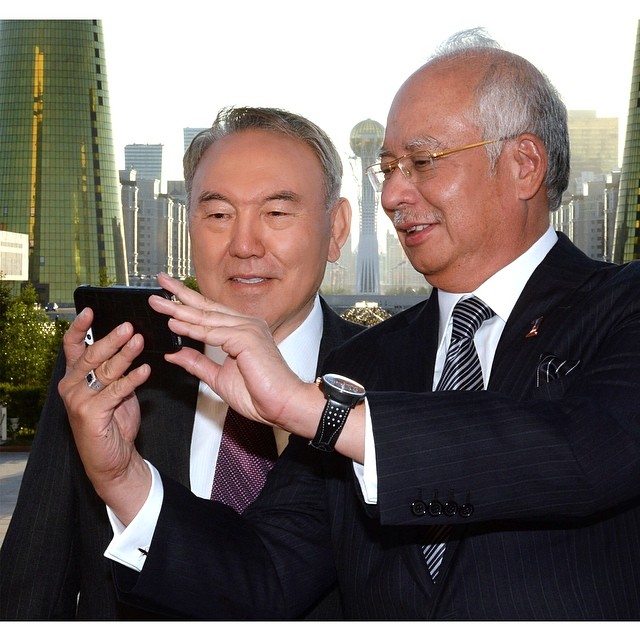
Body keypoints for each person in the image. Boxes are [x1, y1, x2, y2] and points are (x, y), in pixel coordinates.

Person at [58, 28, 640, 620]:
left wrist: (312, 411)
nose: (392, 194)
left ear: (524, 165)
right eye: (388, 168)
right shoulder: (363, 365)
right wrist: (123, 476)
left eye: (422, 162)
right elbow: (263, 578)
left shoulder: (622, 308)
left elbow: (583, 449)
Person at [0, 106, 362, 620]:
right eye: (218, 215)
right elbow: (31, 581)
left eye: (277, 214)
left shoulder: (391, 382)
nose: (244, 245)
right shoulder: (112, 366)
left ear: (337, 228)